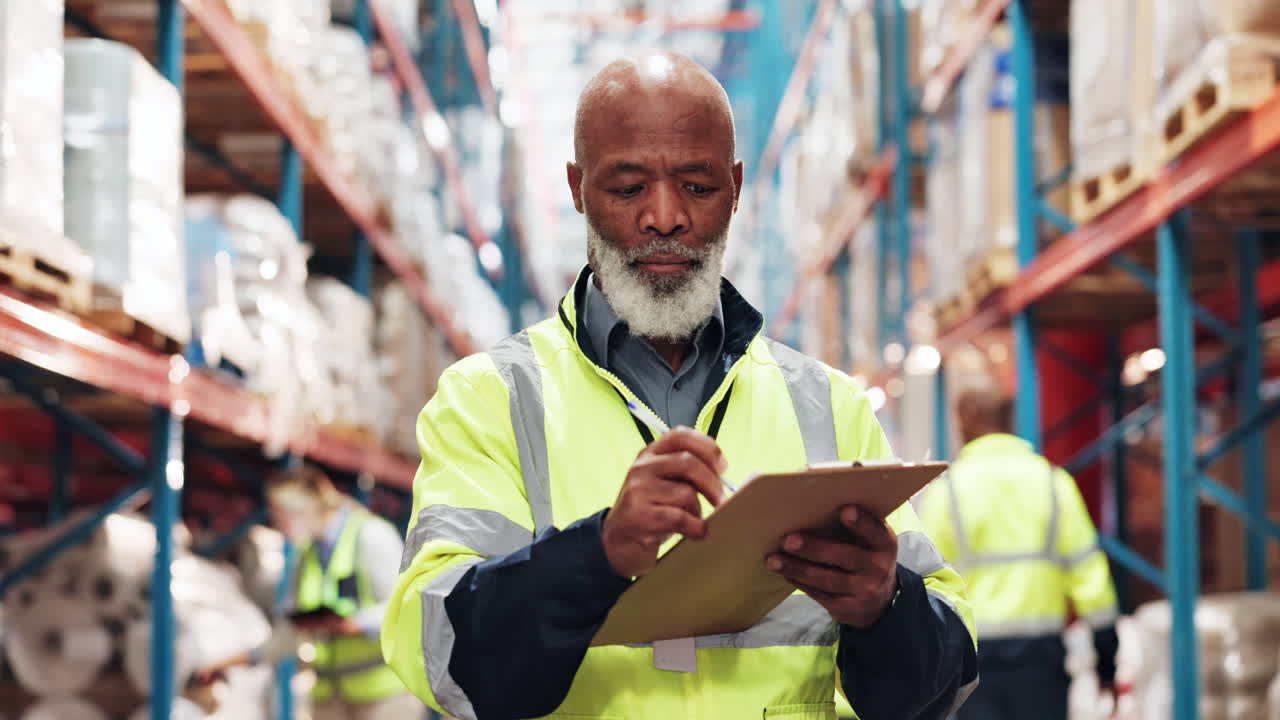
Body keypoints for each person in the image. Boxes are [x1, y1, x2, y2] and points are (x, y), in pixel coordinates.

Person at [382, 51, 977, 720]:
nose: (664, 217)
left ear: (737, 185)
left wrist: (885, 608)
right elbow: (442, 658)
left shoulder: (829, 406)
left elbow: (945, 688)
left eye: (697, 186)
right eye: (628, 187)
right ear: (577, 189)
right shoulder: (489, 399)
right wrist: (598, 554)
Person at [915, 386, 1120, 720]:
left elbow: (925, 584)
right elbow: (1089, 576)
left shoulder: (945, 492)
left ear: (963, 426)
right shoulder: (1053, 482)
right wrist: (1106, 656)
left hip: (973, 662)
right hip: (1042, 658)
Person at [198, 465, 422, 720]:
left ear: (304, 508)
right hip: (331, 699)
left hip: (385, 696)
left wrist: (353, 624)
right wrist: (234, 661)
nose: (276, 523)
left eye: (279, 513)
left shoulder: (371, 535)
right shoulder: (306, 557)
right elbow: (291, 632)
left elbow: (406, 607)